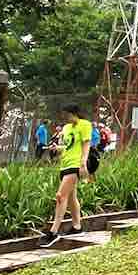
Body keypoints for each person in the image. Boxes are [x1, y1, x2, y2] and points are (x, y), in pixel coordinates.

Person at [41, 104, 90, 247]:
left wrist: (83, 163)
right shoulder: (66, 128)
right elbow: (68, 146)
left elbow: (86, 145)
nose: (66, 117)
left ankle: (54, 232)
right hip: (65, 164)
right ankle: (77, 227)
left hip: (75, 165)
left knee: (60, 196)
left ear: (74, 113)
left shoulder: (84, 125)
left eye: (67, 115)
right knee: (71, 198)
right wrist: (57, 148)